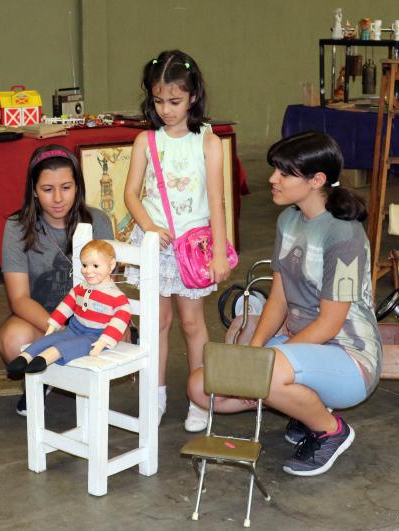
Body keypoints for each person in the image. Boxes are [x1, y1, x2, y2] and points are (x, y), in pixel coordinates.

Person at [187, 131, 382, 476]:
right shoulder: (288, 220)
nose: (272, 179)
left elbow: (330, 324)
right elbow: (278, 297)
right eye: (275, 169)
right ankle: (301, 406)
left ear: (316, 180)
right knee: (201, 387)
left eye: (284, 172)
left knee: (268, 373)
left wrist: (267, 366)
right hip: (298, 349)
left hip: (349, 357)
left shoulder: (344, 235)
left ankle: (330, 430)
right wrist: (256, 350)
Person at [123, 50, 231, 429]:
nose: (166, 109)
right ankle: (155, 394)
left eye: (175, 101)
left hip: (193, 246)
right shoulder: (145, 141)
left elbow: (216, 201)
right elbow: (131, 194)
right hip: (155, 245)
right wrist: (149, 227)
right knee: (157, 321)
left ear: (193, 97)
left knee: (192, 322)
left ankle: (200, 397)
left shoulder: (208, 141)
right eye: (158, 101)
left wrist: (220, 251)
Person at [0, 144, 113, 416]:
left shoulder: (98, 221)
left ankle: (64, 375)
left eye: (66, 187)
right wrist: (60, 332)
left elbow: (112, 287)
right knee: (12, 339)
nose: (58, 198)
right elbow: (19, 299)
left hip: (92, 321)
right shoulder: (17, 227)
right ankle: (39, 382)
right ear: (34, 192)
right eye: (47, 190)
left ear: (78, 187)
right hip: (44, 318)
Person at [6, 240, 131, 377]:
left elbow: (120, 319)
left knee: (66, 346)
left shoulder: (116, 296)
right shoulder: (81, 288)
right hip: (74, 328)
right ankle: (24, 357)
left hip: (95, 335)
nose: (88, 271)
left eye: (95, 266)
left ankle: (43, 360)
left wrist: (104, 341)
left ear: (111, 265)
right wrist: (53, 324)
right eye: (84, 265)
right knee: (48, 339)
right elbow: (67, 305)